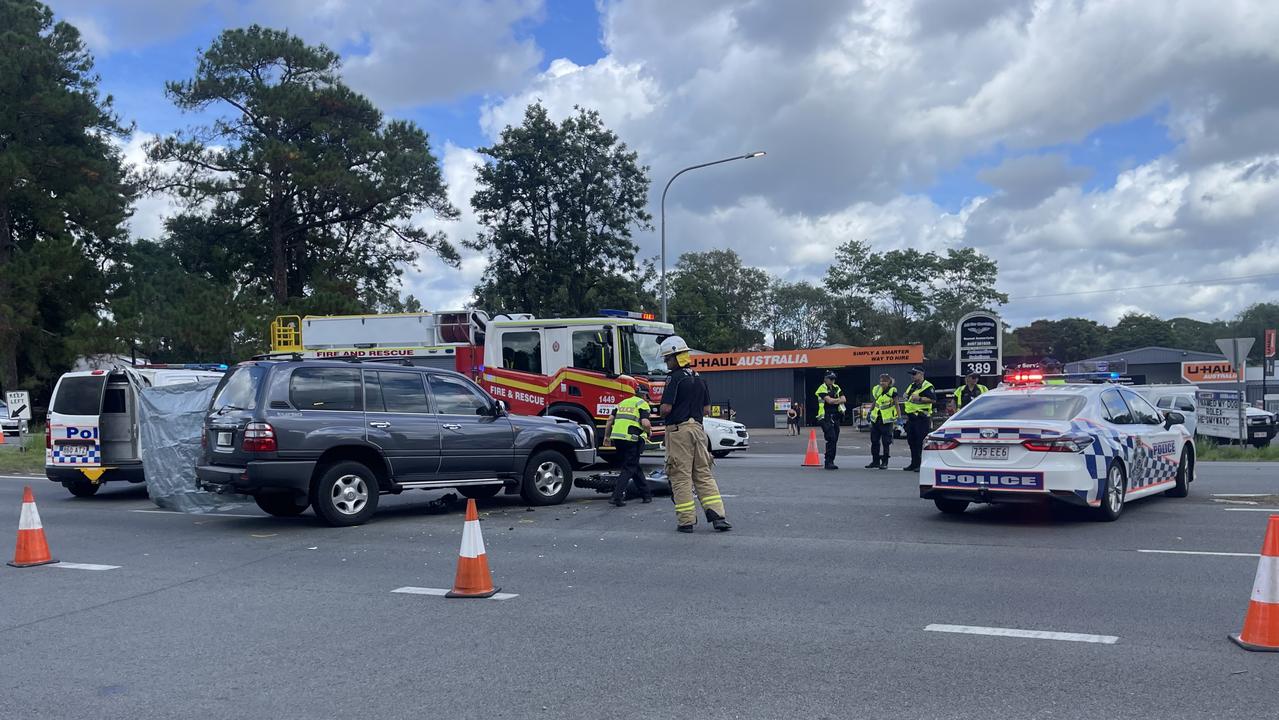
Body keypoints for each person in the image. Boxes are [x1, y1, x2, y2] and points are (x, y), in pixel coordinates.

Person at [657, 336, 731, 533]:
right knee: (703, 474)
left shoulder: (674, 378)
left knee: (680, 475)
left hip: (679, 431)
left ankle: (686, 521)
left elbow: (666, 408)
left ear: (675, 356)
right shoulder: (699, 378)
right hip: (698, 430)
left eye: (667, 359)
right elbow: (706, 409)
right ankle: (718, 517)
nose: (666, 362)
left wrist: (659, 410)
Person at [602, 376, 653, 507]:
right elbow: (645, 422)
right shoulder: (642, 404)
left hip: (618, 439)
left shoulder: (622, 403)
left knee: (633, 466)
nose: (648, 400)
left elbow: (609, 421)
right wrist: (648, 432)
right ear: (644, 395)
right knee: (629, 467)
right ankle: (616, 497)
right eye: (648, 397)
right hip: (631, 439)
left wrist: (606, 437)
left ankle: (646, 495)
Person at [901, 366, 936, 472]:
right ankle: (914, 463)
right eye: (912, 374)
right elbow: (908, 398)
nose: (912, 376)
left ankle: (921, 464)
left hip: (921, 418)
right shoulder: (912, 386)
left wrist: (920, 398)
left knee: (920, 442)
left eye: (914, 374)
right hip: (911, 418)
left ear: (921, 374)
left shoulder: (927, 386)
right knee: (911, 441)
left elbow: (933, 400)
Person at [814, 370, 846, 470]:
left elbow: (844, 399)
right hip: (825, 416)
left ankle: (831, 460)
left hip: (835, 416)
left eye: (834, 379)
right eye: (830, 378)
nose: (832, 380)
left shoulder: (836, 387)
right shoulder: (822, 388)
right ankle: (828, 461)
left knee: (835, 439)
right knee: (831, 437)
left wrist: (835, 400)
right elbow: (829, 401)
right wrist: (837, 400)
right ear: (825, 379)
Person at [865, 374, 898, 470]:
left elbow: (896, 404)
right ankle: (875, 461)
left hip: (886, 421)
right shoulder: (877, 389)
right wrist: (870, 412)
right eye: (881, 381)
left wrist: (899, 418)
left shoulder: (892, 391)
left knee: (886, 442)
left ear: (889, 382)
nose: (882, 383)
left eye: (884, 381)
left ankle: (885, 462)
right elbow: (875, 402)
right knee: (874, 441)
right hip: (876, 419)